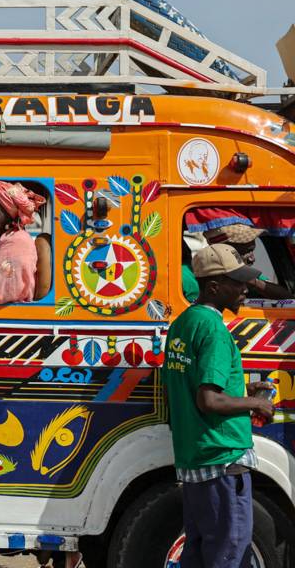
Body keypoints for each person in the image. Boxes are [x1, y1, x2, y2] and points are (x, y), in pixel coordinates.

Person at [162, 243, 275, 568]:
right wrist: (256, 403)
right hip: (223, 459)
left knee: (199, 553)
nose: (245, 289)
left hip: (197, 460)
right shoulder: (213, 330)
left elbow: (191, 384)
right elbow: (208, 399)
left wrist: (241, 387)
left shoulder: (185, 323)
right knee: (230, 551)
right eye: (237, 282)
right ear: (214, 286)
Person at [203, 224, 293, 300]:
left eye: (252, 251)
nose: (252, 259)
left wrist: (254, 282)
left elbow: (289, 300)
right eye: (246, 252)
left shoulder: (248, 274)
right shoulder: (202, 277)